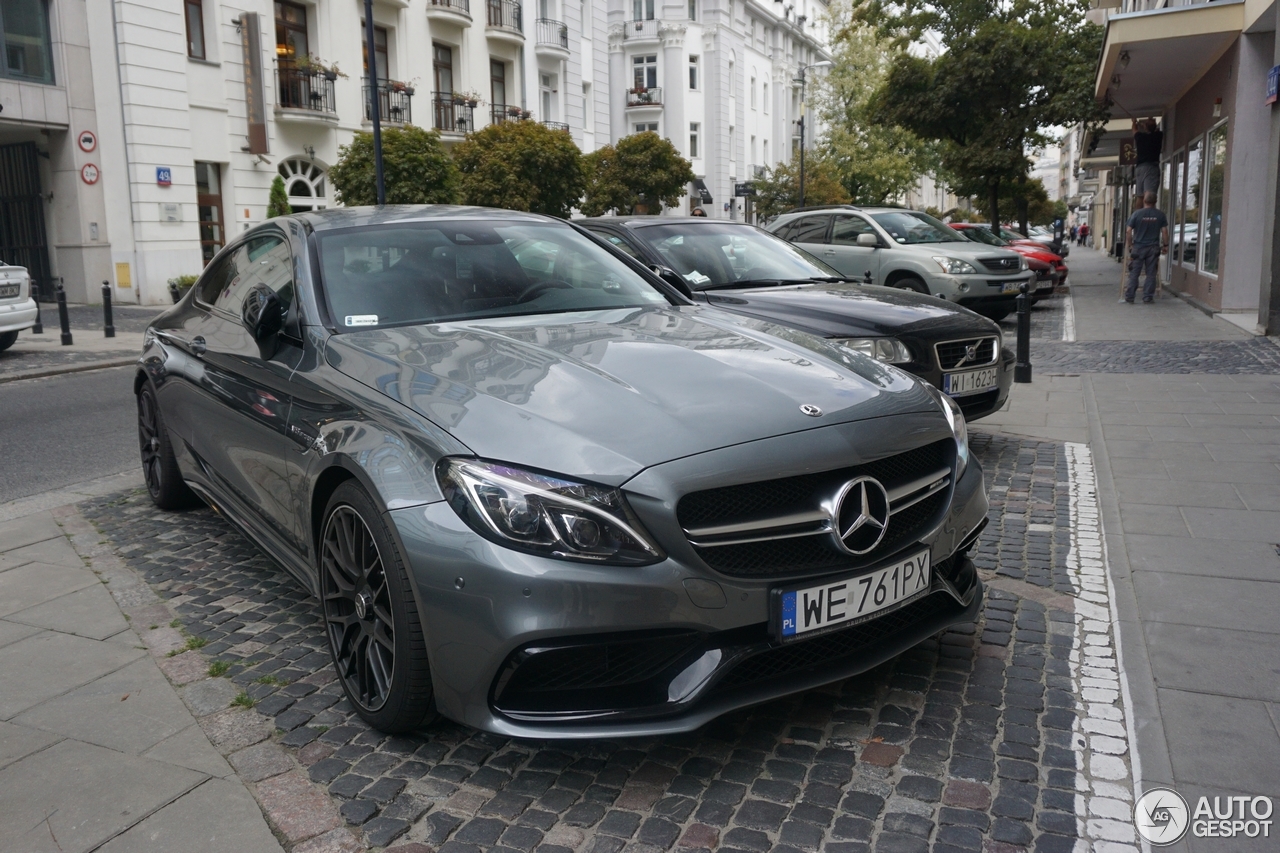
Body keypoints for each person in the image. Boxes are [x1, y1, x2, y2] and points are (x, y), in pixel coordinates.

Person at [1124, 191, 1169, 304]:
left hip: (1138, 248)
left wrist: (1130, 245)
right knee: (1151, 273)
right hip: (1153, 248)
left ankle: (1130, 296)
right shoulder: (1160, 215)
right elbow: (1164, 232)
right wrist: (1165, 245)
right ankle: (1148, 297)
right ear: (1155, 202)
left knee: (1135, 273)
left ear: (1144, 200)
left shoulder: (1136, 214)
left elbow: (1128, 231)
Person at [1133, 118, 1163, 200]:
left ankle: (1138, 213)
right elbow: (1155, 130)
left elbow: (1134, 130)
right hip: (1152, 167)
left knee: (1140, 196)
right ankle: (1149, 211)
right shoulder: (1158, 136)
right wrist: (1144, 126)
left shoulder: (1140, 137)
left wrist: (1134, 122)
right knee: (1149, 196)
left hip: (1140, 168)